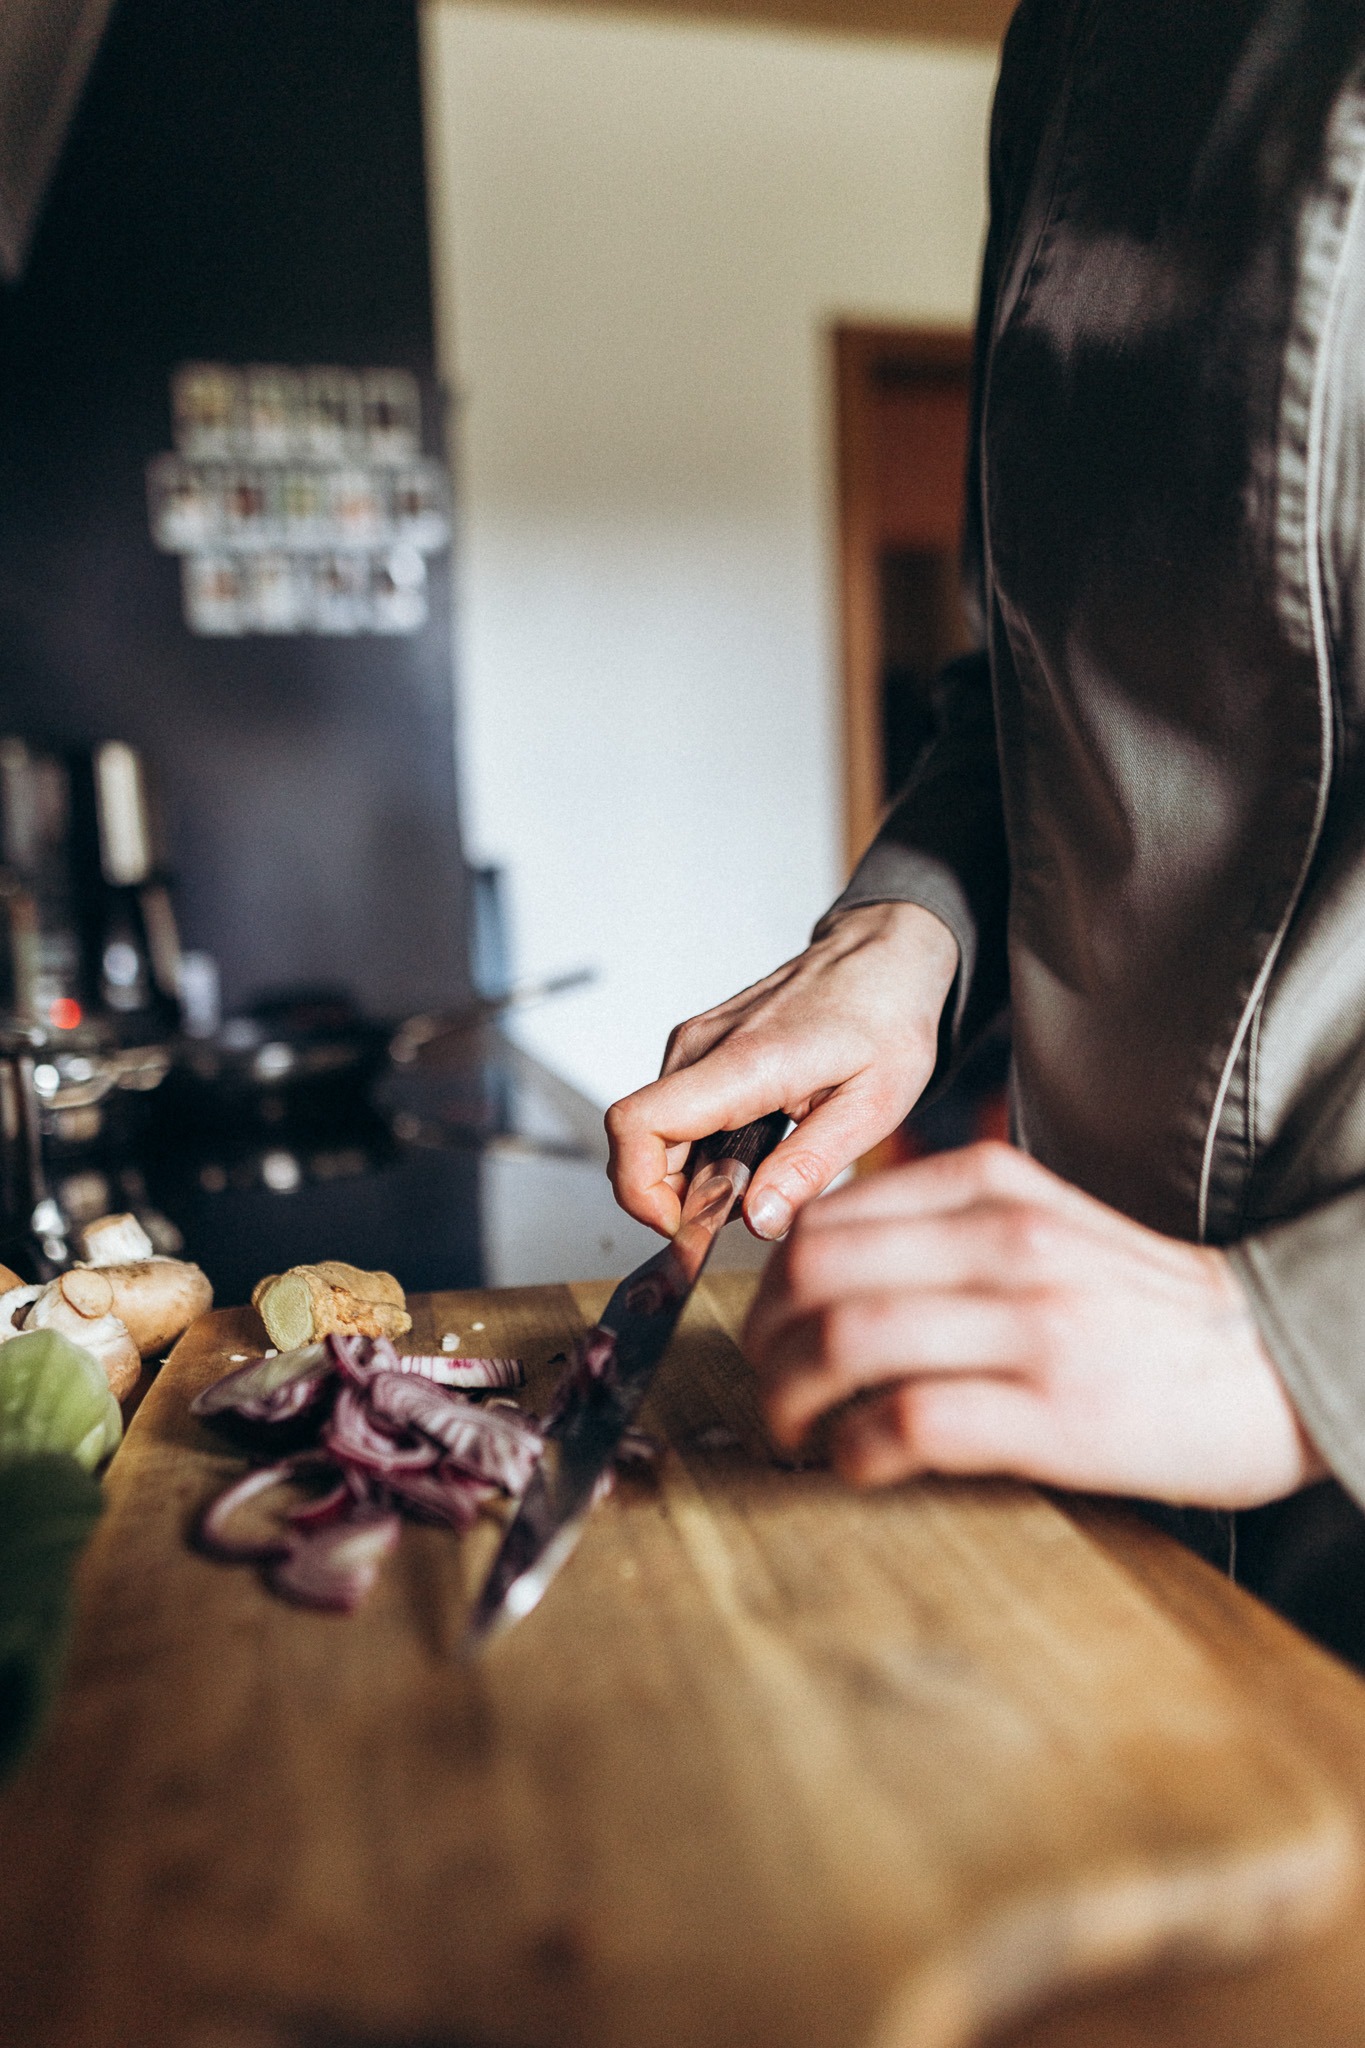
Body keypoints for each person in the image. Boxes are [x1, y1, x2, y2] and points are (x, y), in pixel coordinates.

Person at [605, 0, 1365, 1661]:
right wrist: (904, 933)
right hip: (1100, 1446)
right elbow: (1029, 665)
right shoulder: (1069, 50)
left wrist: (1304, 1343)